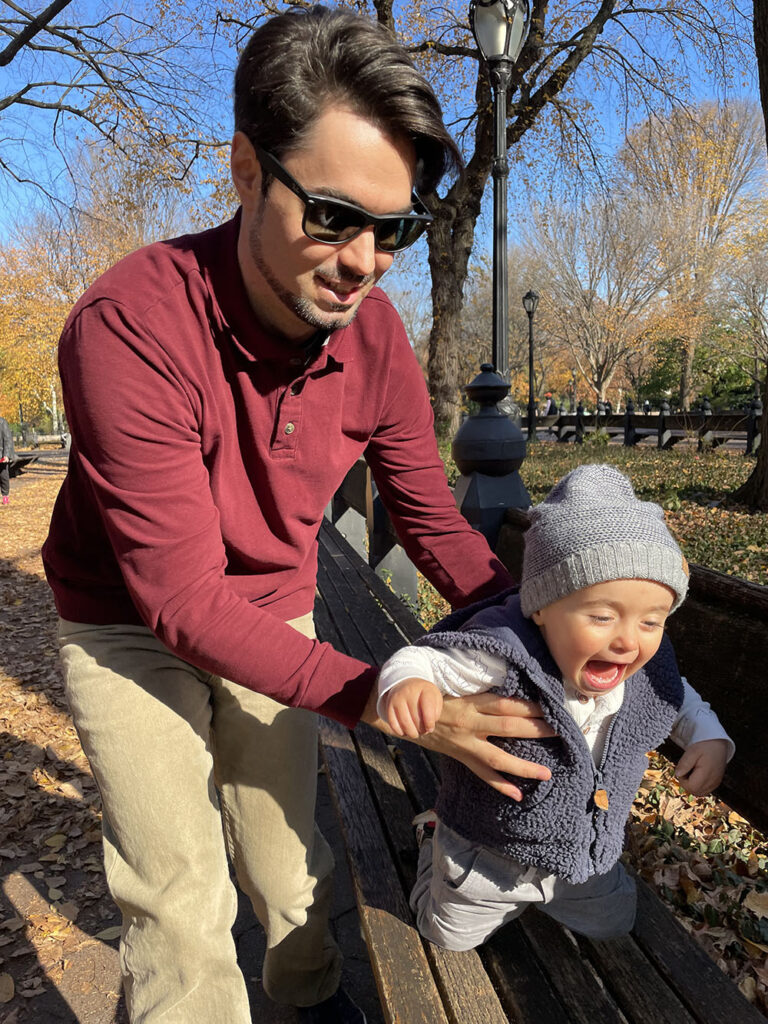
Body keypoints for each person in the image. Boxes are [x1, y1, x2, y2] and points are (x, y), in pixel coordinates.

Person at [41, 7, 553, 1023]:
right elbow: (179, 599)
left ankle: (310, 1001)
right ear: (244, 168)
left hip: (276, 603)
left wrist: (548, 634)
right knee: (177, 886)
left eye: (394, 228)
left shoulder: (378, 341)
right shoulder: (130, 324)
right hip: (125, 625)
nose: (364, 260)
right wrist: (395, 700)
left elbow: (434, 525)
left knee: (289, 866)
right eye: (331, 215)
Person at [377, 464, 733, 951]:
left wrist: (709, 736)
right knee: (444, 936)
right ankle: (432, 846)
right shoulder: (504, 654)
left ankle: (562, 895)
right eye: (603, 616)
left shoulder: (646, 669)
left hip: (580, 853)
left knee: (616, 922)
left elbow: (679, 696)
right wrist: (409, 683)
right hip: (487, 852)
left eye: (652, 622)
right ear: (542, 606)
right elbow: (423, 658)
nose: (628, 640)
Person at [0, 415, 14, 505]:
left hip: (1, 454)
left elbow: (8, 439)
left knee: (3, 475)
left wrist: (6, 455)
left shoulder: (2, 422)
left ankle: (5, 496)